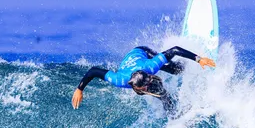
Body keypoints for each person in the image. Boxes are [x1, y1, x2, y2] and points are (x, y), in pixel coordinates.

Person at [71, 46, 215, 115]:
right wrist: (79, 89)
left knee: (173, 69)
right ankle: (174, 116)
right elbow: (93, 71)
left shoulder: (150, 66)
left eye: (148, 83)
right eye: (145, 87)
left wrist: (199, 59)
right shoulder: (119, 80)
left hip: (143, 53)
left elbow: (175, 49)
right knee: (162, 95)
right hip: (129, 62)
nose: (148, 87)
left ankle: (184, 66)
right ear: (136, 88)